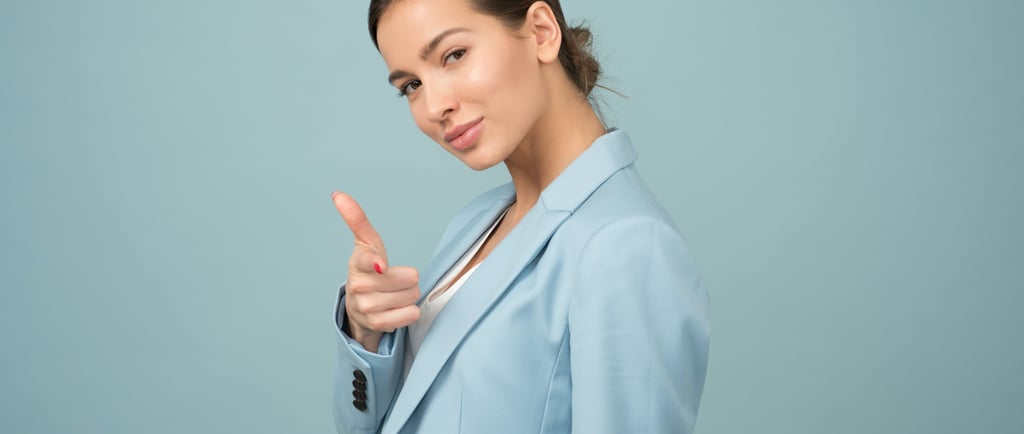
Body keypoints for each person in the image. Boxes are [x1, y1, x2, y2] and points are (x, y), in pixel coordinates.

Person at [329, 1, 710, 433]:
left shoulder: (625, 245)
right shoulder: (476, 220)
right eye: (412, 85)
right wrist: (367, 333)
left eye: (454, 55)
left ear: (542, 32)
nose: (435, 105)